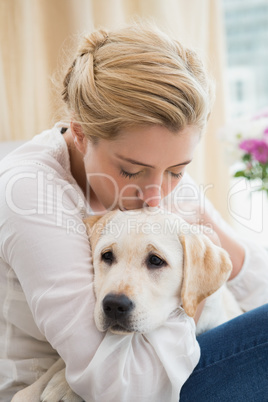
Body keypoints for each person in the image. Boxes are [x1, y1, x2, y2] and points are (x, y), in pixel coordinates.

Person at [0, 22, 267, 402]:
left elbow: (254, 285)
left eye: (178, 170)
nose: (157, 196)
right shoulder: (30, 192)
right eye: (130, 170)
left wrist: (207, 258)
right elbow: (118, 385)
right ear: (78, 132)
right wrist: (193, 302)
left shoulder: (156, 179)